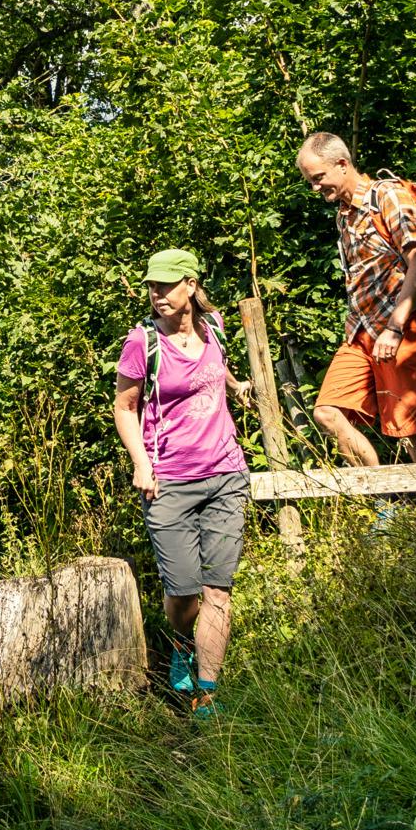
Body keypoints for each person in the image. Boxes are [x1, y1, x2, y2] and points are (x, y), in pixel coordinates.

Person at [111, 249, 254, 720]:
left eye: (167, 285)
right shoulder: (143, 343)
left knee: (218, 590)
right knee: (184, 592)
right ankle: (178, 641)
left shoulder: (214, 329)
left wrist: (236, 389)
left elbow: (216, 369)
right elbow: (125, 407)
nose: (157, 294)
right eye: (152, 286)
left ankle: (206, 695)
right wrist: (141, 464)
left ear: (190, 285)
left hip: (226, 473)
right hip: (168, 481)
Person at [295, 132, 416, 523]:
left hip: (404, 327)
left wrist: (396, 327)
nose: (316, 187)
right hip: (361, 330)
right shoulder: (343, 214)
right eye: (310, 181)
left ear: (342, 164)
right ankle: (385, 505)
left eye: (318, 178)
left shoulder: (387, 197)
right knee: (329, 412)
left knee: (412, 428)